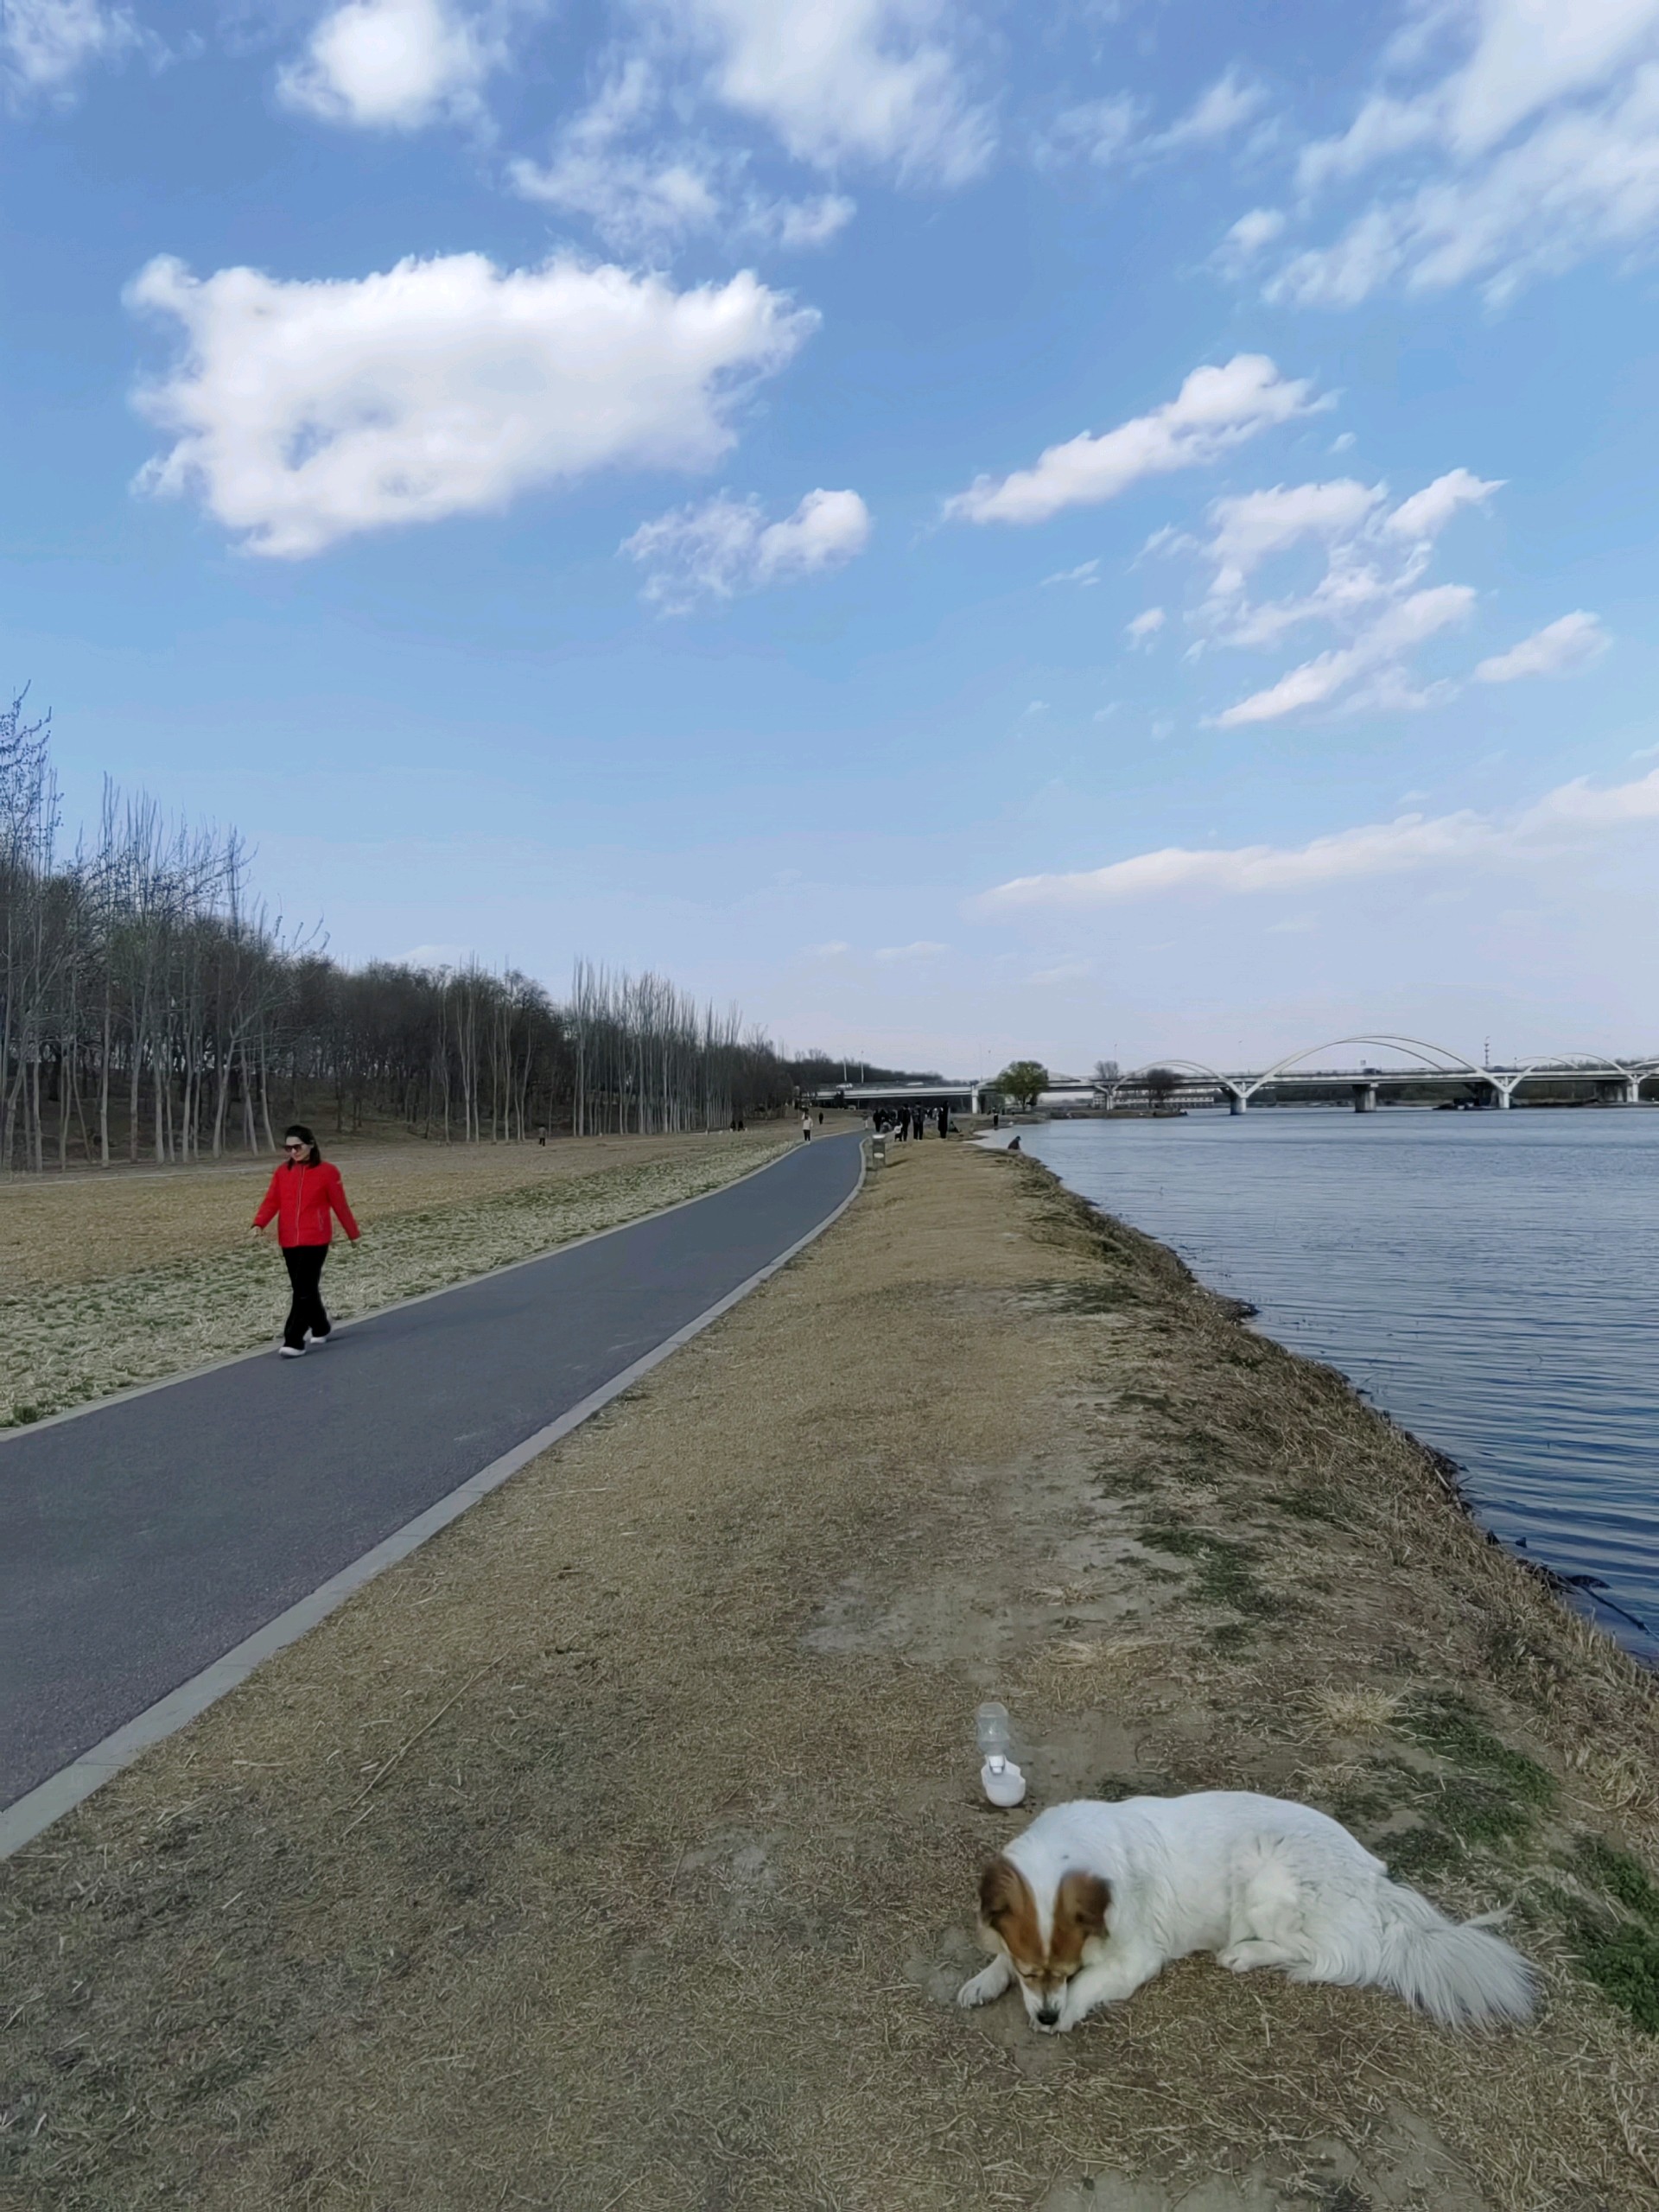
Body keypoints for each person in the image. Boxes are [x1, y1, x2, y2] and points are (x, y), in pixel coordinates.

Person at [252, 1124, 361, 1357]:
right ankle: (321, 1325)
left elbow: (340, 1205)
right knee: (303, 1289)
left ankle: (293, 1340)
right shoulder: (282, 1172)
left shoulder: (328, 1172)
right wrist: (259, 1223)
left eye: (297, 1147)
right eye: (288, 1148)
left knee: (303, 1289)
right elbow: (272, 1200)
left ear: (310, 1145)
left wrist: (352, 1233)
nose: (293, 1152)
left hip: (316, 1238)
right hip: (288, 1239)